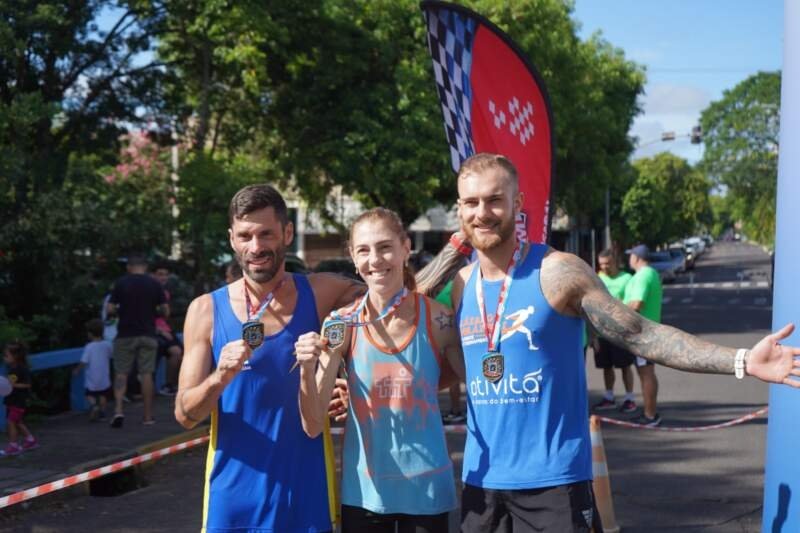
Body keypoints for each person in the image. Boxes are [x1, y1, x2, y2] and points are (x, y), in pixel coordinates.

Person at [449, 152, 800, 532]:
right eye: (471, 202)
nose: (481, 212)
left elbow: (640, 333)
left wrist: (742, 360)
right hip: (480, 485)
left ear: (517, 204)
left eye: (494, 199)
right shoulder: (462, 285)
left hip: (551, 485)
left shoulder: (557, 272)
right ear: (459, 209)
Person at [295, 208, 465, 533]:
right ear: (353, 258)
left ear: (405, 247)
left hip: (427, 491)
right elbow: (314, 424)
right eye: (364, 250)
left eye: (385, 247)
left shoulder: (440, 320)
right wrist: (306, 368)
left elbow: (483, 394)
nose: (375, 259)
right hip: (365, 495)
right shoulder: (340, 323)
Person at [107, 254, 168, 427]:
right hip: (148, 334)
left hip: (125, 334)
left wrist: (119, 312)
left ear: (129, 267)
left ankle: (118, 411)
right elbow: (165, 310)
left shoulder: (121, 283)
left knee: (121, 373)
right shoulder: (154, 284)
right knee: (146, 374)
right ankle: (148, 417)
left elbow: (110, 308)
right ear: (146, 267)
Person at [591, 249, 636, 413]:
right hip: (602, 332)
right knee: (606, 366)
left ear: (615, 261)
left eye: (608, 263)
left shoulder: (627, 278)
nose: (604, 267)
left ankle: (630, 398)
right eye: (601, 264)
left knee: (625, 366)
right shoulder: (597, 278)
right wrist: (593, 335)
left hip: (621, 332)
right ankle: (609, 397)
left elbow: (632, 304)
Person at [624, 244, 663, 426]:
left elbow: (637, 303)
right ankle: (649, 413)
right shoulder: (651, 274)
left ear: (637, 258)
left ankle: (650, 415)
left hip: (643, 334)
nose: (628, 259)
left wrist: (615, 313)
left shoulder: (643, 275)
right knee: (645, 372)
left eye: (630, 256)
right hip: (647, 332)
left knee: (646, 373)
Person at [1, 342, 38, 456]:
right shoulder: (15, 368)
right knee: (17, 421)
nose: (4, 358)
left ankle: (13, 445)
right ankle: (31, 440)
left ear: (15, 356)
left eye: (7, 356)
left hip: (18, 401)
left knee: (11, 422)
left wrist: (12, 385)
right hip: (13, 400)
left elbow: (27, 385)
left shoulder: (18, 369)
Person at [152, 263, 183, 396]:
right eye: (160, 274)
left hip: (166, 329)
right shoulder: (148, 290)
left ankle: (170, 385)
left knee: (180, 352)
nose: (163, 277)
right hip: (152, 331)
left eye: (165, 274)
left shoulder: (166, 292)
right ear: (152, 275)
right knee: (175, 352)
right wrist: (159, 330)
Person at [73, 319, 113, 421]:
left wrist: (77, 369)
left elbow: (84, 361)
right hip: (104, 376)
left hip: (92, 377)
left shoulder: (89, 347)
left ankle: (94, 405)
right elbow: (112, 355)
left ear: (90, 334)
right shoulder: (107, 345)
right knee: (103, 394)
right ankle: (103, 413)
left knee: (89, 394)